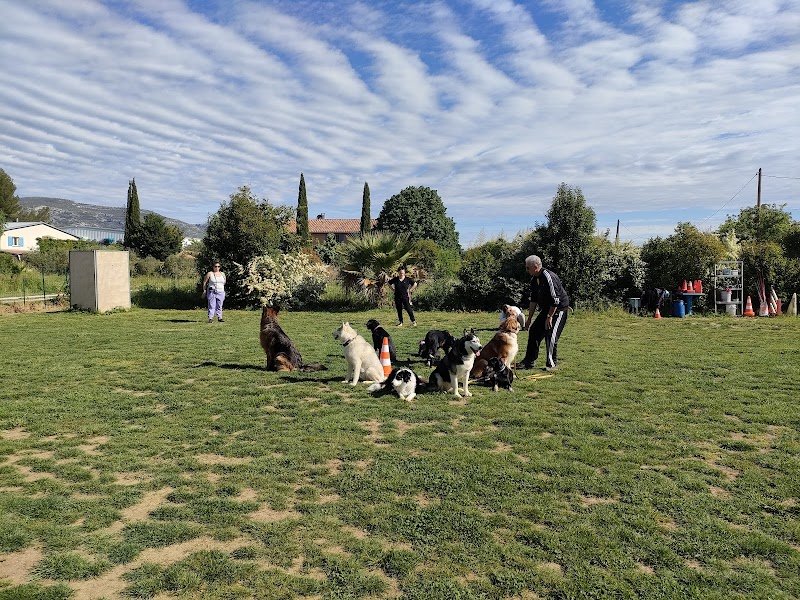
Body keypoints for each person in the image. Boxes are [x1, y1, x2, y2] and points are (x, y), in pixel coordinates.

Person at [520, 255, 569, 371]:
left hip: (558, 310)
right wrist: (529, 319)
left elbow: (555, 300)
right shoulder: (534, 279)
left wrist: (550, 316)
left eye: (528, 268)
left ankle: (551, 364)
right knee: (534, 332)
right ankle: (529, 361)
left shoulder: (548, 277)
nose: (526, 270)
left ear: (536, 267)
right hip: (547, 310)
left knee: (551, 336)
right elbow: (533, 300)